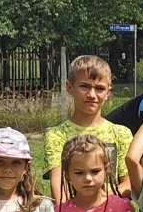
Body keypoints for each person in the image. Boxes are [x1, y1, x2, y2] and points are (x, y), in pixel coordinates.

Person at [44, 55, 133, 203]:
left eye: (99, 88)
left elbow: (128, 184)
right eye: (84, 86)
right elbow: (59, 191)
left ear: (108, 93)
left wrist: (98, 204)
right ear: (69, 88)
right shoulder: (56, 135)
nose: (91, 95)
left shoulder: (121, 134)